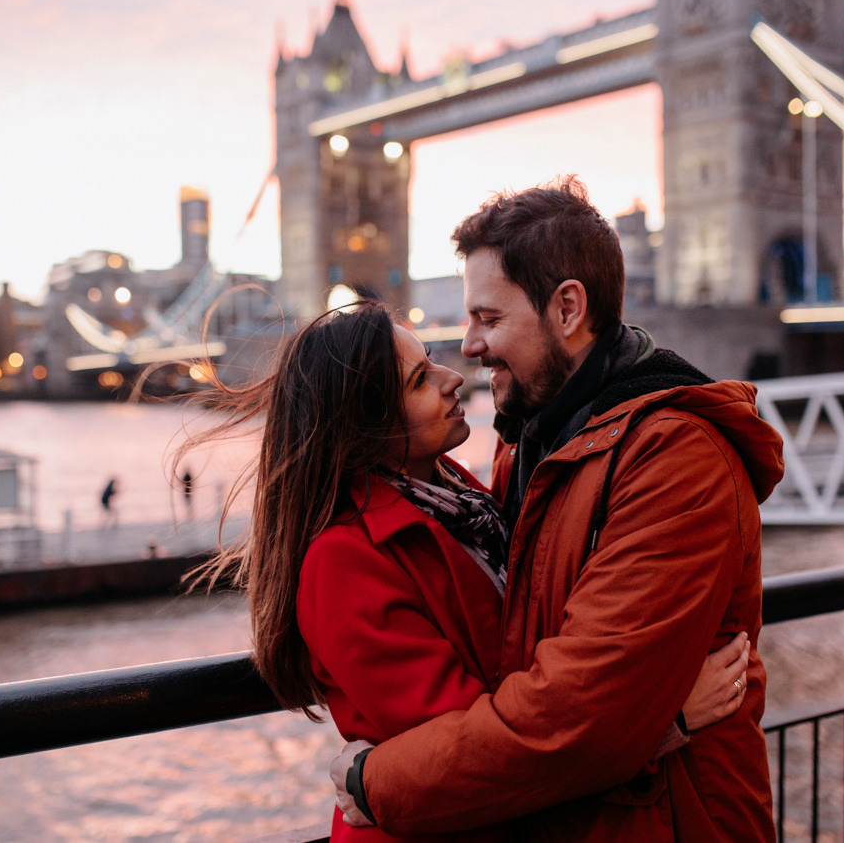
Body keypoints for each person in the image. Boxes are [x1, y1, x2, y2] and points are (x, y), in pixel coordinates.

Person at [175, 301, 752, 843]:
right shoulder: (341, 562)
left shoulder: (464, 497)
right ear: (366, 426)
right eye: (419, 379)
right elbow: (477, 754)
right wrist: (658, 721)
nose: (453, 377)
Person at [331, 177, 786, 841]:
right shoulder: (533, 444)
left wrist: (373, 781)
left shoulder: (677, 457)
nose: (470, 345)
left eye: (489, 318)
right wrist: (662, 718)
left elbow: (580, 719)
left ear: (568, 308)